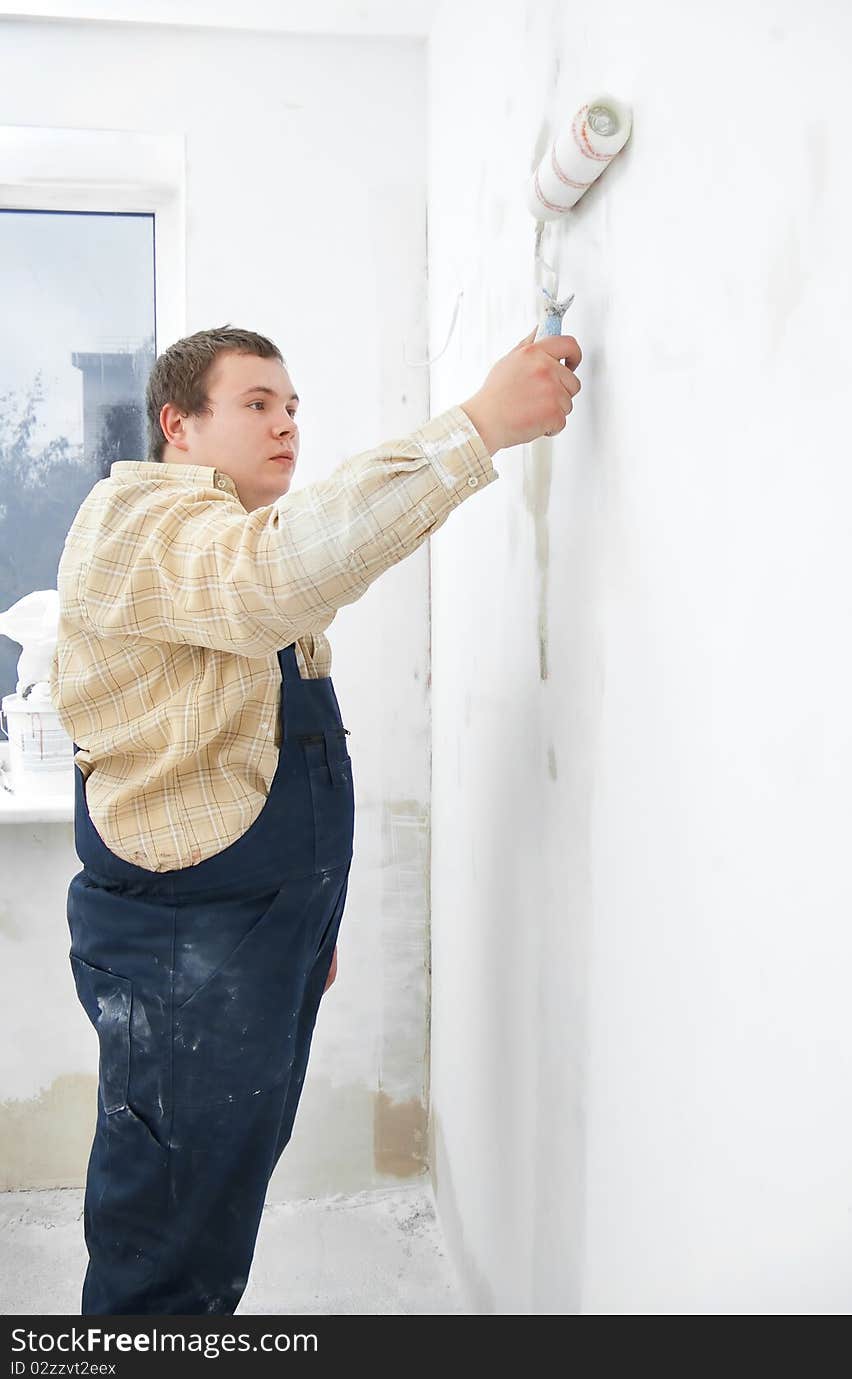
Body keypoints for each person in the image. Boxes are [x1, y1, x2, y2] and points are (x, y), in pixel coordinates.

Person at [50, 321, 582, 1315]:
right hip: (182, 953)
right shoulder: (142, 527)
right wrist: (478, 426)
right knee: (164, 1236)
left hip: (251, 941)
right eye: (256, 403)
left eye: (293, 406)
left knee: (215, 1203)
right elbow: (281, 573)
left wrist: (306, 928)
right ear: (178, 422)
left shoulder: (220, 544)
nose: (287, 424)